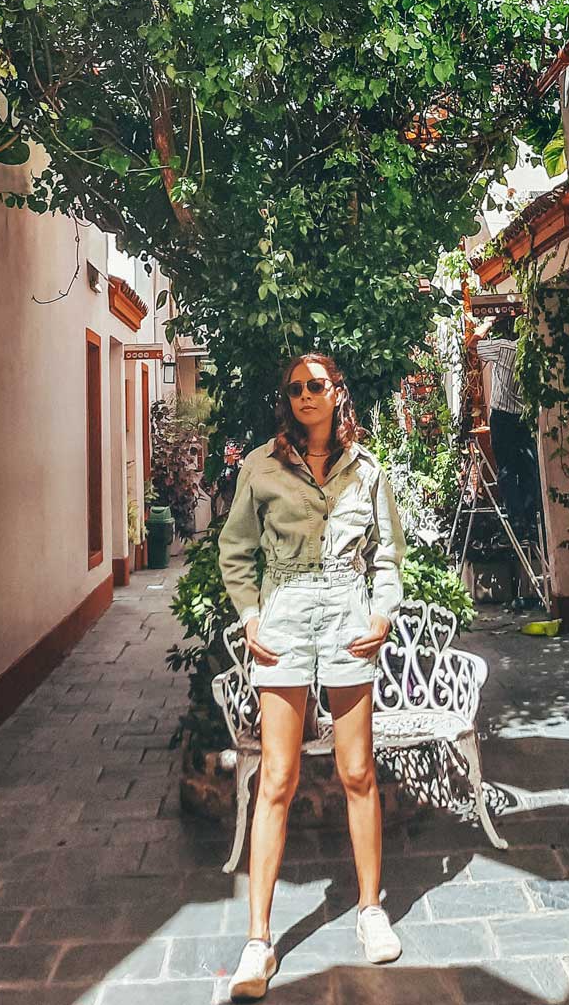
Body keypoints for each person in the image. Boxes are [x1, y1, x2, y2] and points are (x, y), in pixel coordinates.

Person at [217, 353, 408, 999]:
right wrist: (250, 616)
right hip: (287, 618)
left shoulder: (369, 470)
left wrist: (383, 612)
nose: (305, 394)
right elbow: (235, 551)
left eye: (316, 385)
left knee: (358, 772)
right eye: (295, 387)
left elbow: (388, 553)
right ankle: (258, 943)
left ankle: (370, 912)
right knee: (277, 776)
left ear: (337, 393)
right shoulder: (260, 468)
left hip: (350, 614)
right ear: (287, 399)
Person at [473, 314, 547, 575]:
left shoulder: (503, 347)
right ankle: (530, 523)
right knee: (527, 468)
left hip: (503, 416)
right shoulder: (531, 350)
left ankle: (517, 523)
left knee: (506, 469)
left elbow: (473, 344)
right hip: (524, 416)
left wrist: (487, 322)